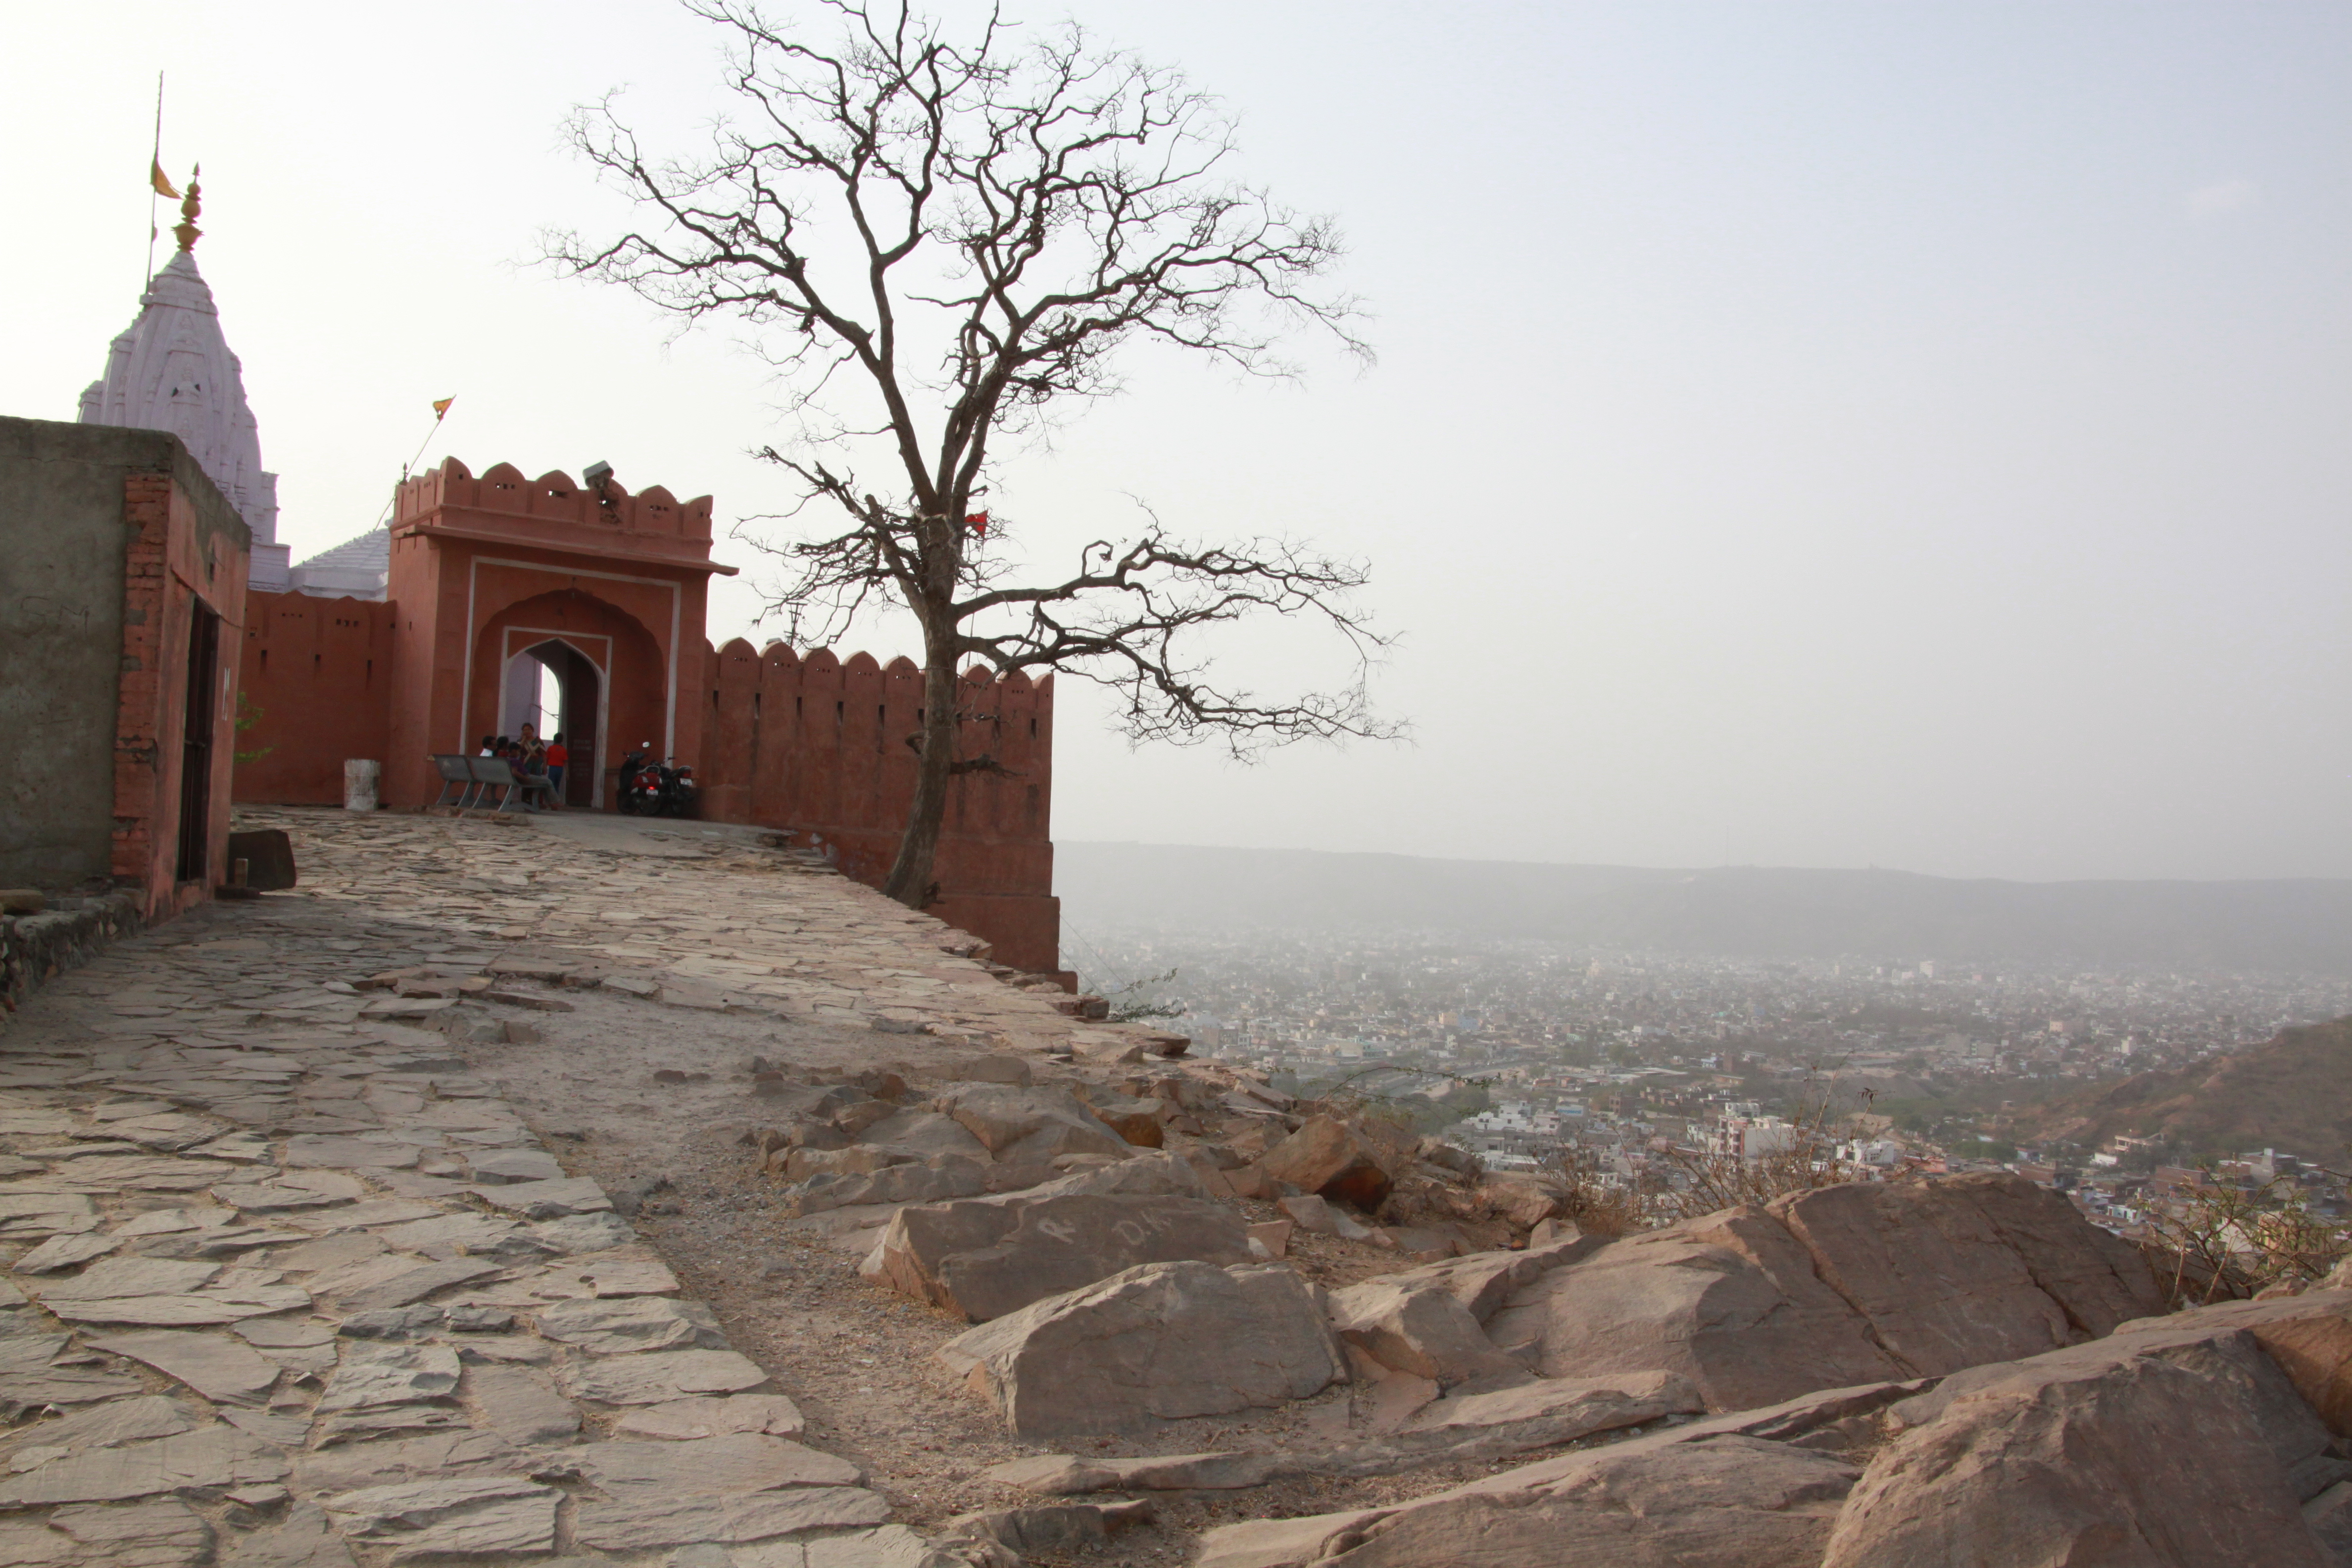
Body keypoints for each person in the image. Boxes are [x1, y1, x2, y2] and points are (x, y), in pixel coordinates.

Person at [545, 733, 570, 802]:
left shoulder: (551, 748)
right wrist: (567, 773)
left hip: (552, 768)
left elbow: (547, 759)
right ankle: (555, 801)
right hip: (560, 769)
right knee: (557, 785)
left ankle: (550, 800)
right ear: (562, 740)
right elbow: (566, 762)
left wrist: (545, 768)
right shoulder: (563, 750)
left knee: (550, 784)